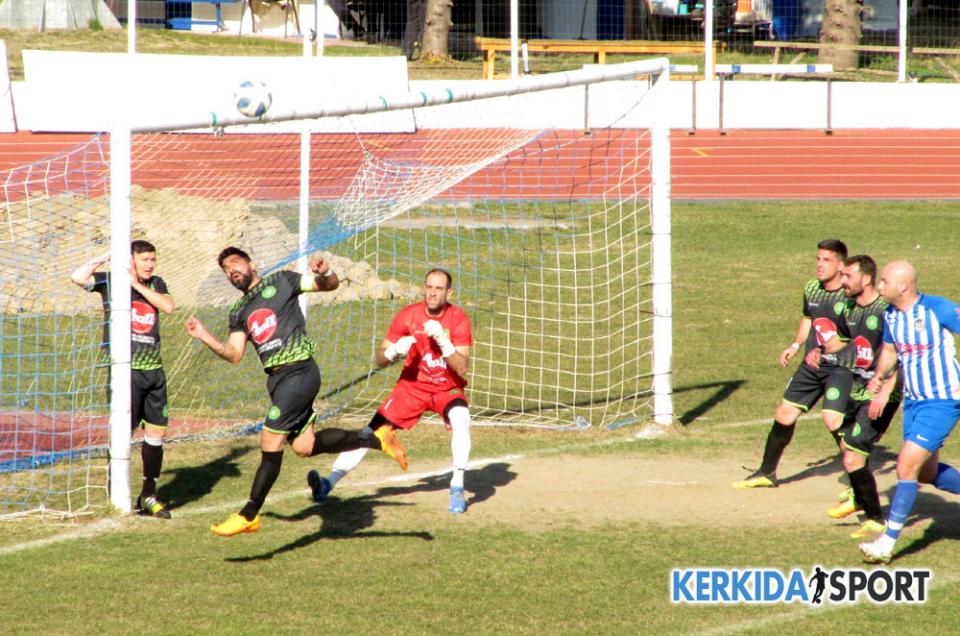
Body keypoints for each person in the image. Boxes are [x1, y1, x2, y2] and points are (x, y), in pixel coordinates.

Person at [184, 247, 408, 537]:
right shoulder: (238, 312)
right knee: (303, 446)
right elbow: (234, 353)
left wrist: (325, 272)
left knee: (270, 438)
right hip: (277, 381)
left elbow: (327, 285)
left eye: (235, 263)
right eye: (226, 269)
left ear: (251, 263)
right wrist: (203, 336)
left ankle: (249, 514)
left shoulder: (282, 281)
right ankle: (375, 438)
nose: (231, 271)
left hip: (299, 372)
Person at [307, 268, 473, 514]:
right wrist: (393, 351)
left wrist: (445, 343)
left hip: (445, 387)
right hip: (411, 387)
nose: (432, 293)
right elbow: (379, 359)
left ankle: (457, 487)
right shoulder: (407, 316)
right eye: (429, 287)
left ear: (449, 292)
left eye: (438, 288)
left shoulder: (458, 319)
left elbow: (462, 368)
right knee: (368, 433)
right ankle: (327, 484)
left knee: (461, 418)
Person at [858, 260, 960, 563]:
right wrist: (879, 376)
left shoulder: (936, 309)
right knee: (927, 473)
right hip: (914, 403)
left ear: (903, 285)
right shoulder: (890, 315)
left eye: (884, 280)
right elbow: (890, 351)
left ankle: (886, 544)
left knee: (905, 467)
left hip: (942, 400)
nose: (879, 285)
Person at [733, 239, 852, 488]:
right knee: (784, 413)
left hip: (841, 367)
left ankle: (858, 480)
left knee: (834, 422)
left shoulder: (851, 294)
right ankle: (766, 473)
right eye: (818, 259)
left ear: (841, 265)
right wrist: (796, 345)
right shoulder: (812, 288)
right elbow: (809, 318)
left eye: (826, 260)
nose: (819, 265)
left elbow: (858, 335)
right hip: (812, 364)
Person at [70, 240, 176, 519]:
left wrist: (138, 285)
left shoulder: (156, 283)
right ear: (130, 260)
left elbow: (168, 306)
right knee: (122, 434)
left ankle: (149, 495)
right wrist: (106, 256)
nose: (151, 264)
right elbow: (77, 277)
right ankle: (116, 493)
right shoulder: (111, 282)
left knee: (156, 435)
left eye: (153, 259)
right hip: (125, 372)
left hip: (154, 370)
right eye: (145, 260)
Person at [805, 255, 901, 539]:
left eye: (847, 276)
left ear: (866, 279)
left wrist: (884, 391)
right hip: (857, 388)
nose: (842, 281)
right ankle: (860, 497)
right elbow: (842, 341)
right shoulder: (849, 308)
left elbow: (903, 355)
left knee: (853, 455)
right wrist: (821, 350)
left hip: (883, 394)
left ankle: (875, 519)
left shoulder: (886, 311)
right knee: (847, 443)